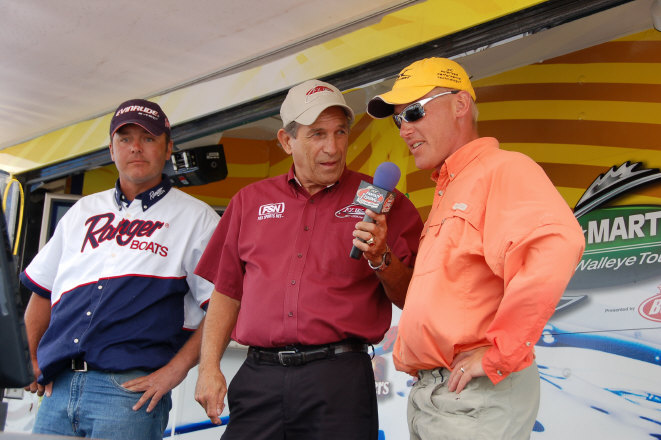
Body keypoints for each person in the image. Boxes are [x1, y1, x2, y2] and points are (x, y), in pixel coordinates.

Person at [366, 57, 585, 440]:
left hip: (472, 395)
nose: (404, 129)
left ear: (460, 105)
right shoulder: (451, 187)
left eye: (414, 112)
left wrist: (501, 352)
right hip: (435, 393)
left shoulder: (503, 168)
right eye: (398, 119)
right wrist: (381, 257)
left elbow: (556, 243)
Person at [193, 79, 423, 440]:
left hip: (339, 380)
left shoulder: (384, 201)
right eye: (317, 134)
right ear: (287, 141)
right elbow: (227, 292)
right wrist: (208, 367)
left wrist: (382, 257)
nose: (333, 147)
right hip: (259, 376)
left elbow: (412, 296)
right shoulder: (249, 201)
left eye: (340, 132)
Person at [20, 99, 220, 440]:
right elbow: (43, 290)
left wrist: (176, 371)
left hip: (128, 392)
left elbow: (222, 306)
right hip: (58, 387)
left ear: (168, 148)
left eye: (148, 138)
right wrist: (30, 358)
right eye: (125, 139)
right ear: (111, 150)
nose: (135, 148)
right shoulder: (83, 210)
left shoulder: (197, 218)